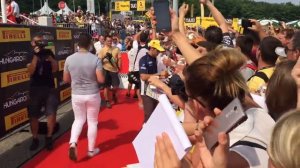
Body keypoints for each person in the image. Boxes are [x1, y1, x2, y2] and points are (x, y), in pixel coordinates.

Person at [63, 33, 105, 161]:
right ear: (90, 45)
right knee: (92, 122)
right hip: (92, 93)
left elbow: (65, 79)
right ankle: (91, 150)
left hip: (77, 94)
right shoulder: (95, 59)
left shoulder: (69, 59)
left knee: (78, 120)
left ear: (77, 44)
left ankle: (73, 143)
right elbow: (101, 79)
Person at [27, 34, 59, 151]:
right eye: (37, 41)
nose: (40, 43)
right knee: (33, 116)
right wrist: (35, 58)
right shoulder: (30, 54)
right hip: (35, 88)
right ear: (32, 43)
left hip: (49, 88)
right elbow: (30, 72)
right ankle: (35, 138)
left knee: (51, 114)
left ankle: (49, 137)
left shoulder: (49, 52)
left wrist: (50, 59)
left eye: (41, 41)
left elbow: (55, 69)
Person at [139, 39, 165, 123]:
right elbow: (143, 77)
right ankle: (145, 132)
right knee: (149, 115)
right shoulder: (144, 59)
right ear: (152, 49)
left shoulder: (155, 58)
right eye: (157, 50)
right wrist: (160, 74)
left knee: (155, 114)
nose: (158, 53)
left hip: (155, 89)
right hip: (146, 91)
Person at [98, 36, 121, 108]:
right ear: (105, 41)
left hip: (114, 70)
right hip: (105, 70)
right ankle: (107, 101)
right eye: (108, 41)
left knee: (116, 86)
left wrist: (119, 67)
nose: (110, 42)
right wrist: (104, 58)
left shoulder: (116, 49)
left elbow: (119, 59)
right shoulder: (102, 50)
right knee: (106, 87)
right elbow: (99, 62)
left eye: (111, 41)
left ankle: (113, 94)